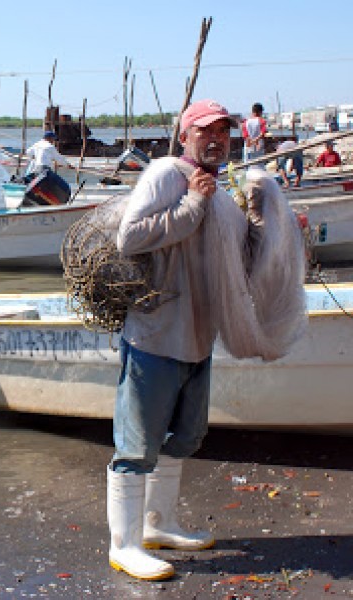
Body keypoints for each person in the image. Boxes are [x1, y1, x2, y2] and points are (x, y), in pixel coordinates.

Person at [107, 99, 266, 581]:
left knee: (186, 436)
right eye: (206, 130)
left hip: (199, 335)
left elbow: (238, 257)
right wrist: (192, 202)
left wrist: (264, 225)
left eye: (224, 130)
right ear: (184, 135)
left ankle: (159, 524)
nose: (217, 138)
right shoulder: (164, 173)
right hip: (155, 332)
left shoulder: (221, 187)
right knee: (137, 444)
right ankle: (125, 545)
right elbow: (129, 239)